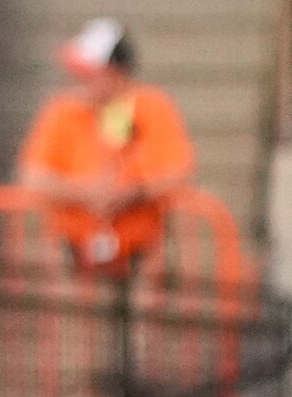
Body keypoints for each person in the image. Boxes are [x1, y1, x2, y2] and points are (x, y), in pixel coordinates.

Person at [14, 18, 197, 275]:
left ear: (116, 70)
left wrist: (133, 194)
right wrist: (85, 193)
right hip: (76, 248)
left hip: (141, 248)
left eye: (90, 71)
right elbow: (33, 177)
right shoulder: (63, 112)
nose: (80, 79)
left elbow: (178, 172)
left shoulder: (151, 107)